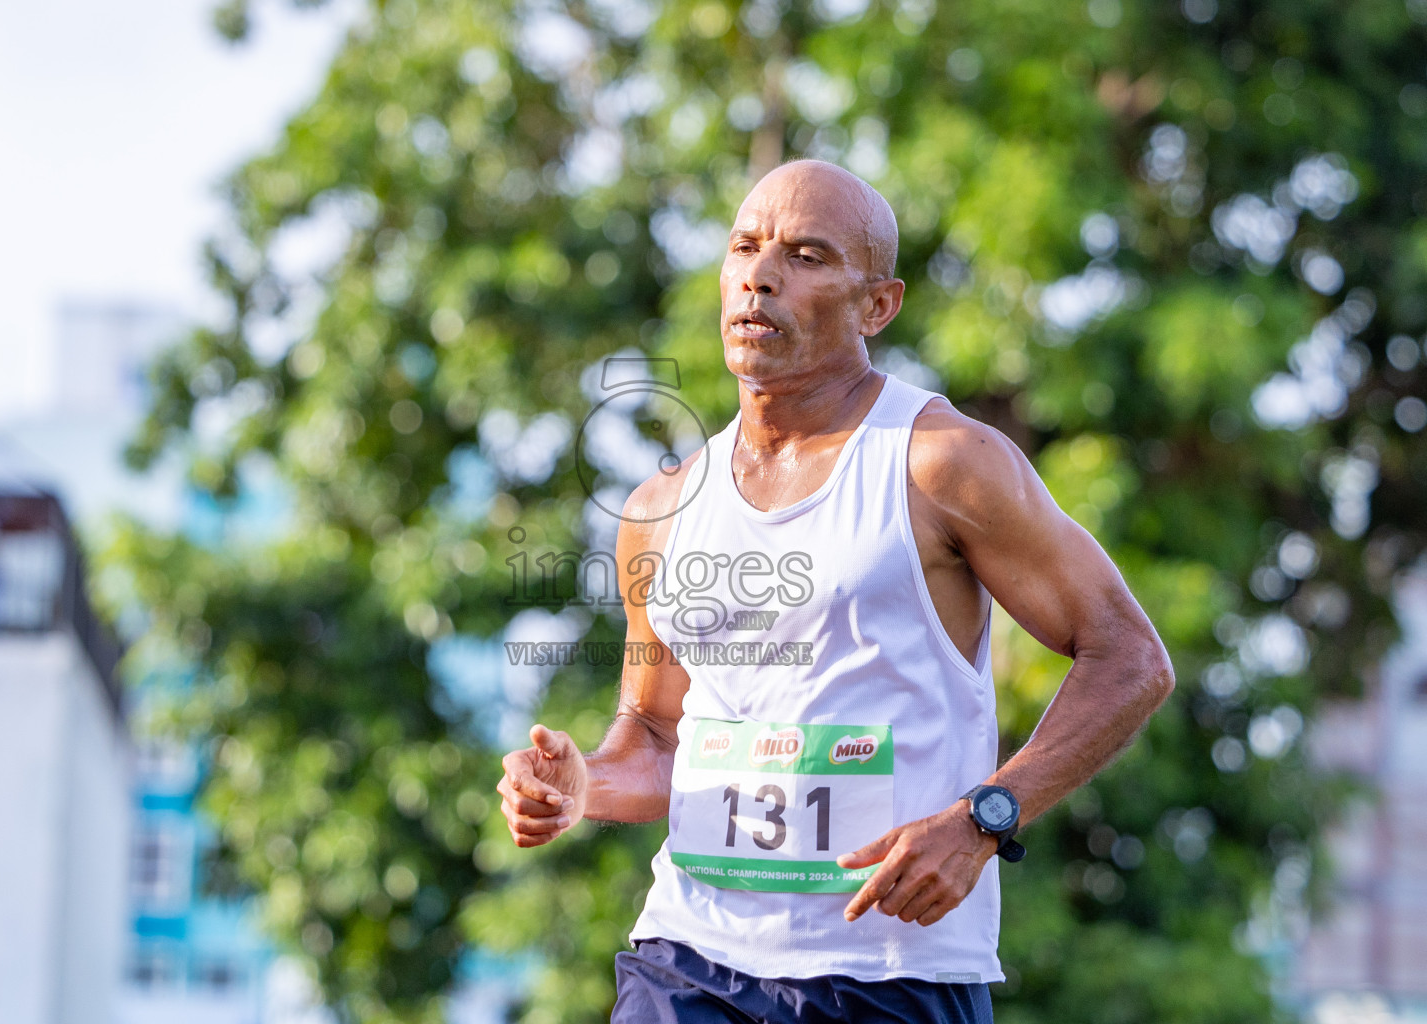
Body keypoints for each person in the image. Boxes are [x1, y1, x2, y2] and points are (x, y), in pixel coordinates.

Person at [496, 159, 1175, 1023]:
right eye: (744, 248)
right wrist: (583, 783)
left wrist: (982, 820)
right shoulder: (661, 508)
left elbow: (1130, 658)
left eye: (807, 255)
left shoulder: (941, 463)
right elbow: (660, 737)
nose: (762, 274)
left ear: (876, 305)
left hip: (890, 969)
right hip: (690, 959)